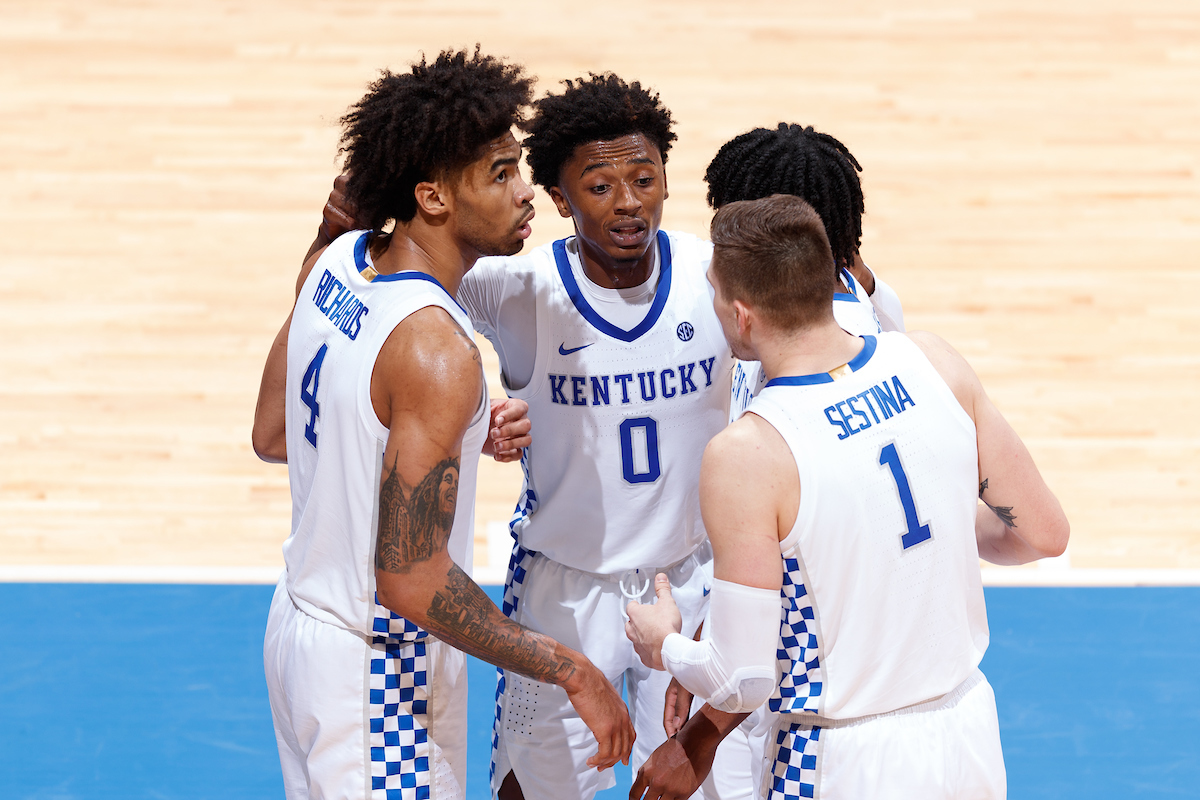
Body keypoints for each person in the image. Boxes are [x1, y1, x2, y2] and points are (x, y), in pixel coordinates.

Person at [252, 48, 633, 800]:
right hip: (376, 674)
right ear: (431, 197)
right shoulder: (437, 352)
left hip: (299, 632)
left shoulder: (336, 264)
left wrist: (445, 430)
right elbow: (410, 578)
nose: (525, 193)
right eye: (499, 174)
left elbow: (273, 432)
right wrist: (570, 667)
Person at [626, 194, 1070, 799]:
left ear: (742, 314)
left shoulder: (750, 452)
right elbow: (1043, 533)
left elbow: (741, 678)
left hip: (839, 759)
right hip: (966, 734)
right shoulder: (934, 361)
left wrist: (665, 645)